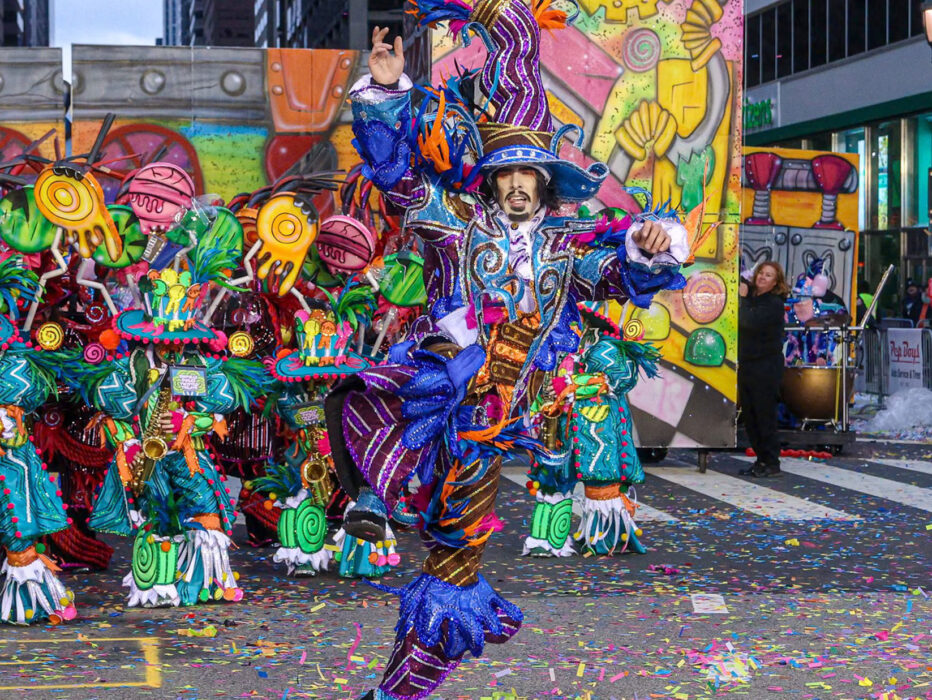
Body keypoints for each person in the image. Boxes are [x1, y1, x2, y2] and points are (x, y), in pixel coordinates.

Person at [325, 4, 689, 698]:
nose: (519, 183)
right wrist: (382, 96)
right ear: (490, 182)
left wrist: (648, 247)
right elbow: (398, 180)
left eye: (531, 174)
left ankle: (396, 691)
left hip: (488, 434)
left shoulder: (565, 249)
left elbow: (621, 272)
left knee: (454, 572)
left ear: (547, 185)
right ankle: (378, 491)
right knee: (388, 391)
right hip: (427, 389)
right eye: (507, 173)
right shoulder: (452, 222)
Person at [738, 261, 790, 478]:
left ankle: (770, 461)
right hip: (749, 363)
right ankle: (761, 459)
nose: (762, 277)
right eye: (761, 273)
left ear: (776, 282)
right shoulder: (754, 299)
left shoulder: (773, 303)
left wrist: (741, 299)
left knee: (764, 414)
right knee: (750, 415)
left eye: (768, 275)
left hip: (765, 366)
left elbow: (749, 321)